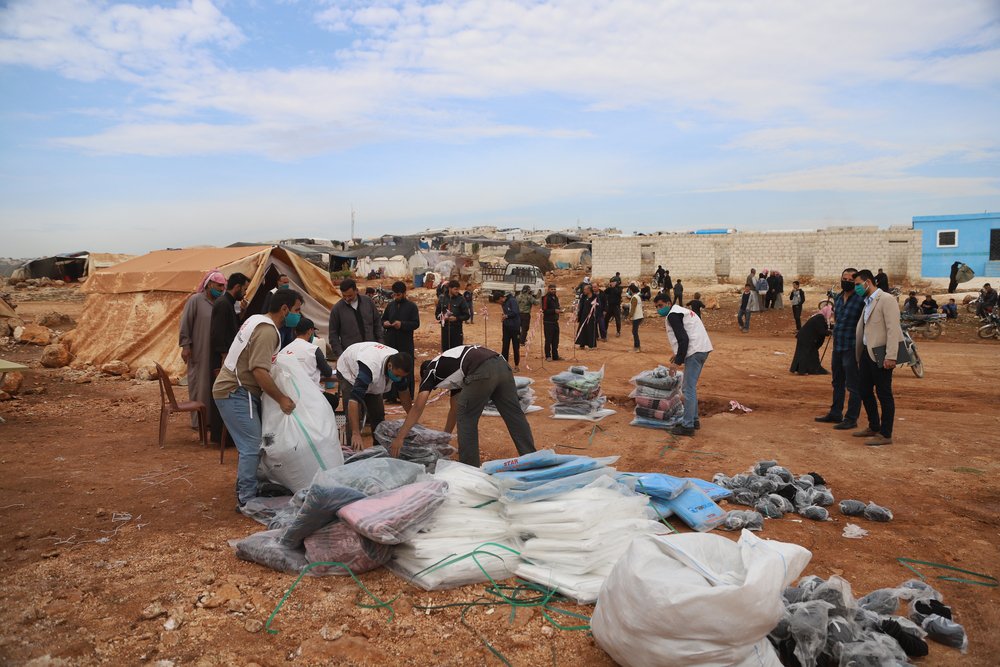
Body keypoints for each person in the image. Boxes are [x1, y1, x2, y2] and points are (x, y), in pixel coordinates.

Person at [214, 289, 301, 509]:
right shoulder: (267, 331)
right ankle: (247, 498)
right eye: (296, 310)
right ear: (284, 309)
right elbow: (259, 370)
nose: (297, 315)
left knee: (252, 443)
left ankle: (248, 487)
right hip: (236, 391)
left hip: (233, 389)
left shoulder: (257, 320)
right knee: (251, 446)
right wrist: (282, 399)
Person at [387, 345, 536, 466]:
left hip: (481, 369)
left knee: (466, 419)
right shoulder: (452, 369)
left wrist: (400, 437)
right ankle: (532, 457)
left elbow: (419, 405)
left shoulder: (431, 369)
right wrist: (444, 437)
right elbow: (455, 407)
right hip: (501, 365)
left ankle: (469, 468)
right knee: (514, 415)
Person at [853, 269, 904, 446]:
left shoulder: (886, 300)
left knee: (884, 393)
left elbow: (893, 329)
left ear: (868, 282)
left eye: (858, 284)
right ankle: (874, 426)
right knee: (864, 390)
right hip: (867, 352)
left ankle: (885, 433)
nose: (856, 288)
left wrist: (891, 356)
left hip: (882, 353)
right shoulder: (867, 301)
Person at [654, 293, 713, 437]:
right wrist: (678, 354)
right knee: (690, 387)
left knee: (687, 389)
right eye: (656, 307)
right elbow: (687, 335)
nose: (658, 309)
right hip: (702, 349)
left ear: (668, 303)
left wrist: (677, 362)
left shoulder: (674, 314)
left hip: (695, 351)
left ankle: (688, 427)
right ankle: (693, 420)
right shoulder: (682, 311)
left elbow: (683, 339)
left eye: (660, 306)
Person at [337, 342, 412, 451]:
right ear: (390, 366)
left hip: (371, 371)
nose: (399, 379)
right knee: (353, 417)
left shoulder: (399, 363)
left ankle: (378, 450)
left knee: (378, 415)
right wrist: (356, 434)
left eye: (402, 377)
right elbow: (353, 401)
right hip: (349, 370)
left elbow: (404, 393)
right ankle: (352, 451)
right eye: (397, 376)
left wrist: (412, 416)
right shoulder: (369, 369)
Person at [815, 268, 864, 431]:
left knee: (853, 385)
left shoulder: (861, 299)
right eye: (845, 278)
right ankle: (836, 413)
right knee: (837, 382)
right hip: (838, 346)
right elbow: (836, 317)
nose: (847, 281)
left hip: (852, 347)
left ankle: (851, 418)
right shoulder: (837, 297)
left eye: (851, 279)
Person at [180, 270, 225, 433]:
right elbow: (186, 323)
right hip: (199, 349)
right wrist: (185, 345)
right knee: (199, 385)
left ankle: (212, 421)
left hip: (215, 351)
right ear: (209, 284)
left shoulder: (222, 302)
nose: (221, 289)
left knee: (213, 385)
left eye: (223, 286)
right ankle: (198, 421)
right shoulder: (196, 300)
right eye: (218, 285)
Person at [209, 272, 250, 442]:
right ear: (238, 287)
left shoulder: (229, 304)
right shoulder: (222, 304)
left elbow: (231, 328)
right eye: (245, 289)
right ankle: (221, 438)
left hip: (227, 358)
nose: (245, 293)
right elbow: (217, 334)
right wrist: (224, 357)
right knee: (223, 395)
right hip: (222, 358)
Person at [283, 317, 337, 411]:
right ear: (310, 331)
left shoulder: (284, 350)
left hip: (290, 395)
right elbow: (328, 372)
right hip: (312, 396)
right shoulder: (313, 350)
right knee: (333, 401)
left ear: (295, 332)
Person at [381, 281, 420, 401]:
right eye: (394, 295)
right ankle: (390, 395)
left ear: (404, 293)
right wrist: (385, 323)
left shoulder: (412, 306)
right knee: (391, 368)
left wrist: (402, 324)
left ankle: (406, 395)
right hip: (391, 342)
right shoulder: (390, 306)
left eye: (398, 295)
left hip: (405, 342)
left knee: (406, 367)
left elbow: (416, 323)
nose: (396, 297)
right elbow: (383, 319)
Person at [329, 278, 384, 359]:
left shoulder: (368, 302)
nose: (347, 299)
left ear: (356, 290)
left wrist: (380, 343)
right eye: (344, 296)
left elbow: (377, 323)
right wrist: (340, 355)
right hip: (351, 354)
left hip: (372, 350)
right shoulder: (337, 309)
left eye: (350, 295)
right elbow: (333, 335)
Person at [789, 305, 832, 375]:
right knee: (804, 354)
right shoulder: (819, 318)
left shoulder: (820, 317)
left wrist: (833, 328)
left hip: (805, 337)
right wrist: (830, 332)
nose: (830, 315)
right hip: (806, 338)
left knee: (810, 353)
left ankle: (812, 369)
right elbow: (821, 331)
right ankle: (802, 371)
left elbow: (825, 326)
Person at [435, 279, 472, 351]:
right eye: (455, 289)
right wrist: (443, 317)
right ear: (449, 289)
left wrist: (456, 318)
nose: (457, 291)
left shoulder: (461, 299)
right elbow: (437, 314)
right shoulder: (442, 299)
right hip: (445, 330)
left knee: (457, 352)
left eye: (458, 289)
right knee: (446, 352)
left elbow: (467, 315)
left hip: (457, 330)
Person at [498, 292, 522, 371]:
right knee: (505, 346)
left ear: (501, 298)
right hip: (506, 328)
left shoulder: (512, 301)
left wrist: (506, 316)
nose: (499, 303)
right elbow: (506, 313)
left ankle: (516, 366)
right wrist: (503, 316)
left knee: (515, 347)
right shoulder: (503, 303)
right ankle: (505, 365)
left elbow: (515, 312)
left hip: (515, 328)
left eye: (498, 301)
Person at [541, 283, 562, 361]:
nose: (553, 290)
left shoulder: (555, 298)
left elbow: (557, 307)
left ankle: (555, 356)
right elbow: (544, 310)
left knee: (556, 340)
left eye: (554, 289)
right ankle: (548, 356)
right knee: (548, 340)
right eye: (552, 289)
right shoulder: (546, 298)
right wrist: (554, 311)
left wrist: (559, 309)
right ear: (548, 289)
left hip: (555, 321)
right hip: (548, 322)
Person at [576, 283, 599, 349]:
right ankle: (582, 344)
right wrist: (578, 315)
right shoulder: (583, 297)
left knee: (590, 330)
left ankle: (591, 345)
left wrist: (596, 305)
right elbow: (581, 306)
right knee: (582, 330)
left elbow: (599, 306)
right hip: (583, 316)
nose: (584, 291)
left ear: (589, 290)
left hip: (591, 317)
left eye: (585, 289)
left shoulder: (595, 297)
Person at [626, 283, 644, 352]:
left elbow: (633, 308)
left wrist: (629, 317)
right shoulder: (638, 296)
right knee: (635, 332)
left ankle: (636, 347)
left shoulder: (634, 297)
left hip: (636, 317)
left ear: (631, 290)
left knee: (634, 332)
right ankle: (637, 347)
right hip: (640, 316)